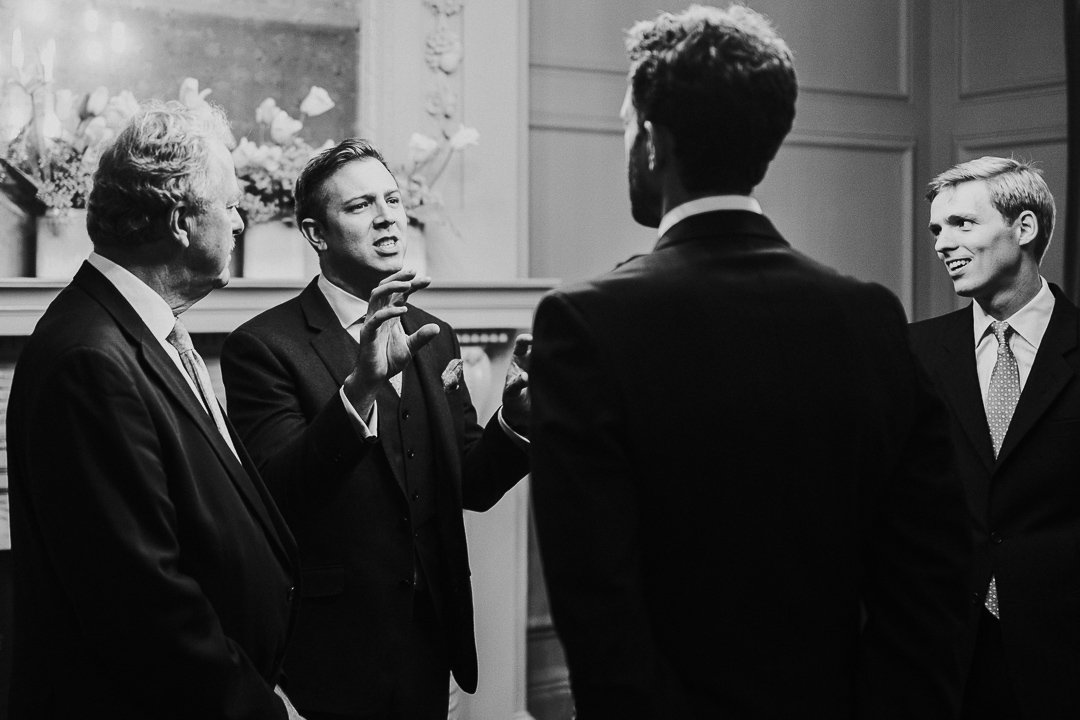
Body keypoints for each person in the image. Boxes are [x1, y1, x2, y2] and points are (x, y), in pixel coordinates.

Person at [528, 5, 973, 719]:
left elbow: (598, 612)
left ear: (653, 139)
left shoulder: (585, 323)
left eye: (624, 125)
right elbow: (934, 573)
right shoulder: (868, 316)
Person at [6, 101, 302, 720]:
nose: (241, 223)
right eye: (229, 206)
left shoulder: (136, 333)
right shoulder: (91, 359)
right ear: (181, 222)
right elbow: (140, 602)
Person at [220, 137, 531, 720]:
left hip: (431, 644)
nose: (387, 215)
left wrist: (517, 422)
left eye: (391, 199)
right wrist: (360, 388)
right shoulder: (263, 347)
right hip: (328, 655)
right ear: (316, 233)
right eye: (361, 205)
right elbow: (278, 491)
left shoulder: (434, 332)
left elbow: (470, 484)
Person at [910, 156, 1080, 719]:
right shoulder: (913, 352)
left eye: (962, 224)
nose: (942, 243)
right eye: (937, 229)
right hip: (942, 654)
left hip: (1061, 655)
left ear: (1024, 228)